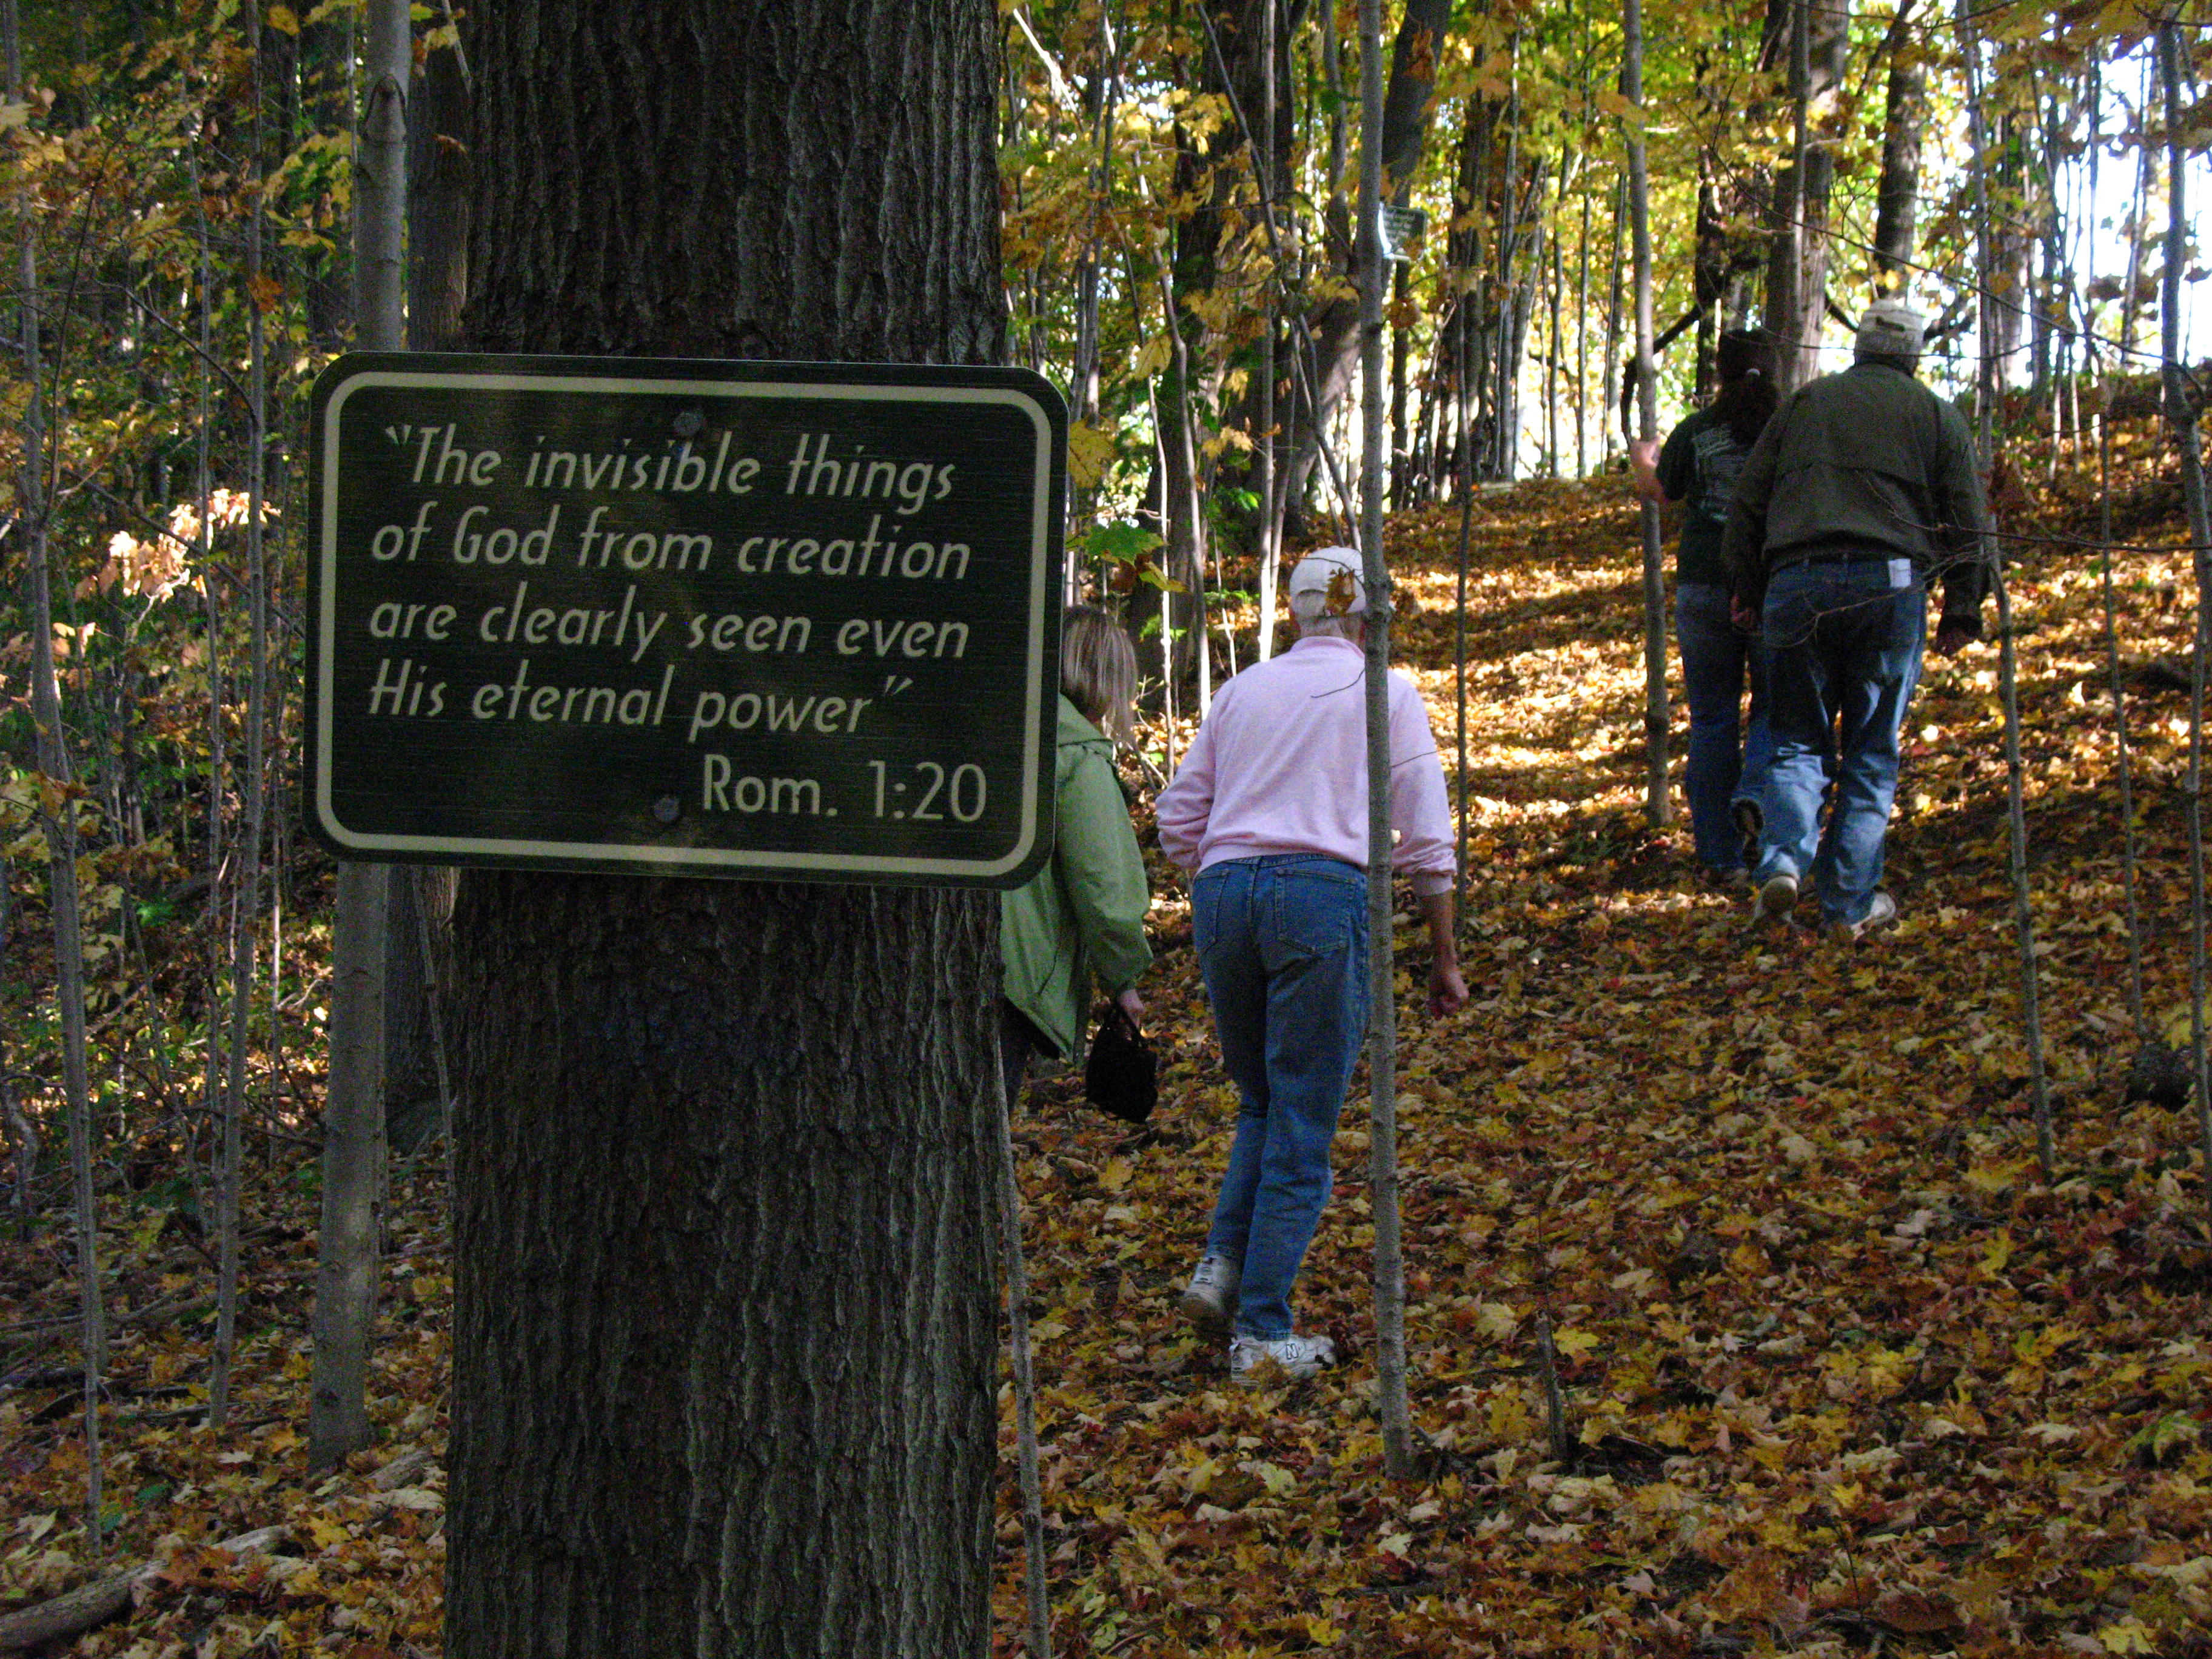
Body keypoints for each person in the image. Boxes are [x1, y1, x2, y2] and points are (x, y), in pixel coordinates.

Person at [1156, 549, 1467, 1385]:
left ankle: (1223, 1269)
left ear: (1297, 613)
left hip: (1223, 892)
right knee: (1302, 1119)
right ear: (1368, 615)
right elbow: (1428, 839)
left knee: (1261, 1098)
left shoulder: (1243, 690)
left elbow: (1180, 817)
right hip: (1322, 897)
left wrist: (1227, 871)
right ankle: (1261, 1332)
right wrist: (1444, 954)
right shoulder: (1386, 693)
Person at [1723, 300, 1994, 942]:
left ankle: (1783, 862)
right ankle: (1847, 909)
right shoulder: (1935, 414)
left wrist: (1749, 586)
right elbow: (1967, 513)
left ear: (1861, 349)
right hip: (1890, 585)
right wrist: (1964, 604)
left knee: (1795, 740)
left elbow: (1748, 500)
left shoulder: (1804, 405)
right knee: (1871, 751)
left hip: (1796, 581)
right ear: (1914, 355)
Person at [1628, 327, 1781, 888]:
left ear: (1719, 373)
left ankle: (1722, 858)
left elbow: (1661, 492)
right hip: (1773, 583)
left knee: (1714, 719)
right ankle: (1759, 803)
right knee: (1774, 709)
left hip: (1705, 584)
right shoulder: (1787, 430)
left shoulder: (1699, 431)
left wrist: (1642, 458)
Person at [997, 605, 1153, 1107]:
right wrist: (1123, 984)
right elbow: (1104, 888)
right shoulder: (1079, 756)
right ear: (1105, 679)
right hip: (1015, 978)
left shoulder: (1001, 733)